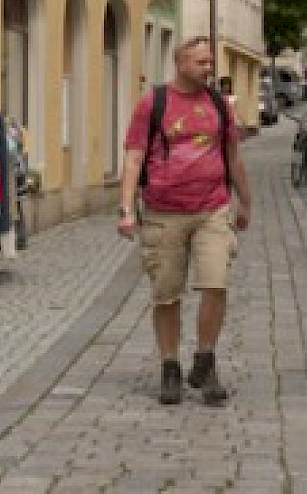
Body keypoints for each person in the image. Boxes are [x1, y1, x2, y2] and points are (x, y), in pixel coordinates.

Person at [118, 36, 253, 405]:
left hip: (212, 207)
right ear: (180, 64)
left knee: (216, 284)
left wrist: (246, 201)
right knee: (166, 293)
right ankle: (170, 366)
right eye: (201, 63)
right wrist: (127, 208)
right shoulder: (153, 103)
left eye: (210, 62)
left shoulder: (218, 105)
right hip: (164, 211)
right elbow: (133, 157)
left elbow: (232, 154)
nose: (209, 69)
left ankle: (205, 360)